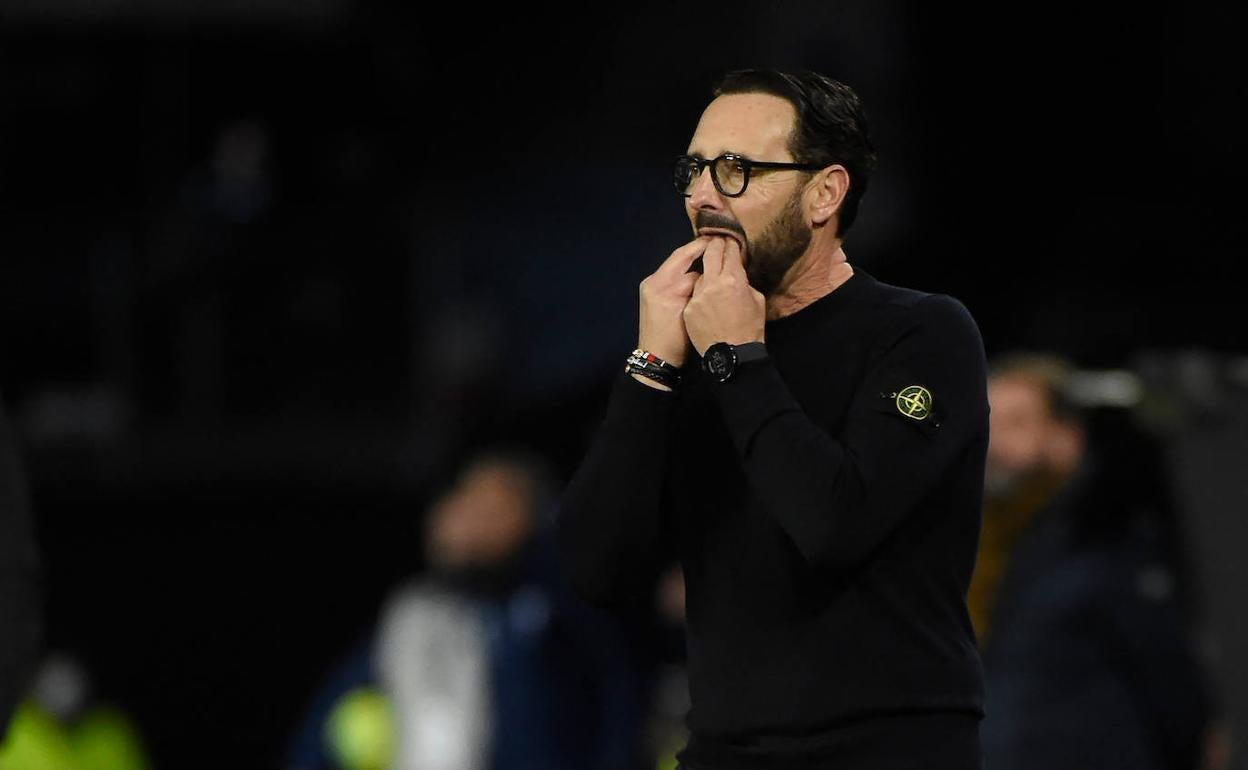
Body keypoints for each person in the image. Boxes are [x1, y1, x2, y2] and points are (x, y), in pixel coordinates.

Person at [557, 69, 990, 770]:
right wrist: (650, 369)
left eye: (735, 170)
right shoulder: (687, 353)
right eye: (693, 169)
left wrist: (734, 357)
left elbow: (835, 522)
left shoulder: (923, 334)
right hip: (724, 750)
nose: (701, 195)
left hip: (894, 750)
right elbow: (593, 571)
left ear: (824, 193)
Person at [286, 450, 649, 770]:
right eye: (466, 499)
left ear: (533, 523)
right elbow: (322, 727)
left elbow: (614, 713)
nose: (471, 518)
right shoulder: (414, 614)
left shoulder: (556, 615)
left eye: (494, 507)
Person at [972, 353, 1218, 770]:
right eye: (988, 424)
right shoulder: (999, 539)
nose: (994, 443)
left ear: (1066, 434)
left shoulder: (1108, 532)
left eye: (1015, 424)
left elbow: (1169, 675)